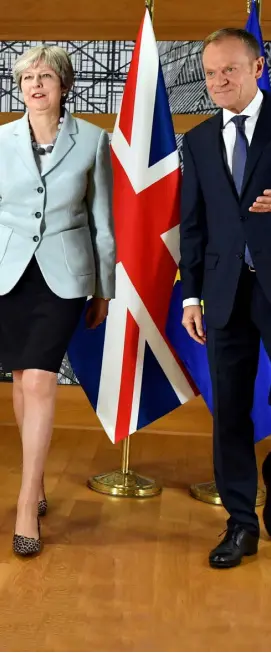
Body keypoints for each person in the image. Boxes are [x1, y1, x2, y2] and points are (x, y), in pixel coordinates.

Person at [0, 45, 116, 556]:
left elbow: (103, 223)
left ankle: (28, 501)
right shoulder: (0, 140)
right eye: (27, 78)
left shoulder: (93, 140)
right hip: (8, 274)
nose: (36, 85)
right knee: (22, 380)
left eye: (46, 76)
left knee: (42, 377)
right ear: (19, 87)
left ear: (63, 84)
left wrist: (104, 289)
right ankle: (37, 477)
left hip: (65, 275)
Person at [180, 27, 271, 568]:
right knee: (231, 412)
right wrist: (191, 298)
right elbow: (193, 226)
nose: (218, 81)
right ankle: (241, 525)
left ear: (258, 68)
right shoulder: (198, 140)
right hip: (222, 294)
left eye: (229, 70)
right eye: (211, 73)